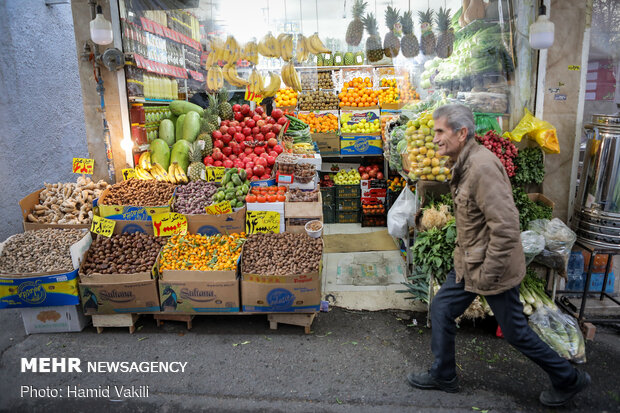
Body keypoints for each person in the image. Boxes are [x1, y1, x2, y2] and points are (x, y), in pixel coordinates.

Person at [406, 104, 590, 407]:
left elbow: (505, 229)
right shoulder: (465, 163)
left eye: (440, 131)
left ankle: (569, 379)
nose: (435, 137)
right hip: (470, 263)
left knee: (516, 332)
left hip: (493, 268)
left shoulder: (483, 168)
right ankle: (443, 374)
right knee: (441, 309)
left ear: (461, 133)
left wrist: (488, 276)